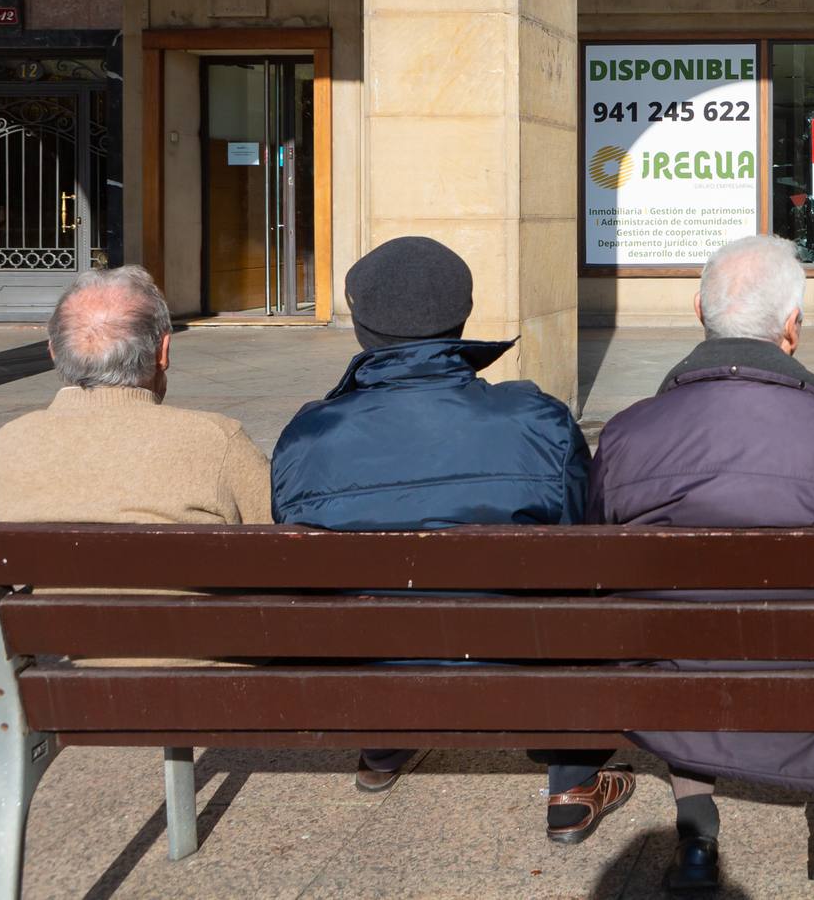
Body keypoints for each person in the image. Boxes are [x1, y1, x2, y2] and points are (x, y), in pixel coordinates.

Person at [269, 236, 633, 844]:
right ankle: (571, 779)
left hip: (368, 673)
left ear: (362, 329)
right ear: (460, 319)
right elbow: (581, 546)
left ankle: (384, 746)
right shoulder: (535, 421)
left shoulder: (308, 437)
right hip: (519, 664)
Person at [592, 236, 814, 890]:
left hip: (674, 693)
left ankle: (696, 839)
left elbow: (601, 567)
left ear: (699, 308)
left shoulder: (626, 435)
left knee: (669, 625)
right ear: (792, 326)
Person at [0, 264, 270, 534]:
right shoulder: (217, 440)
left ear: (53, 352)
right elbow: (279, 538)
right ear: (163, 351)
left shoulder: (7, 443)